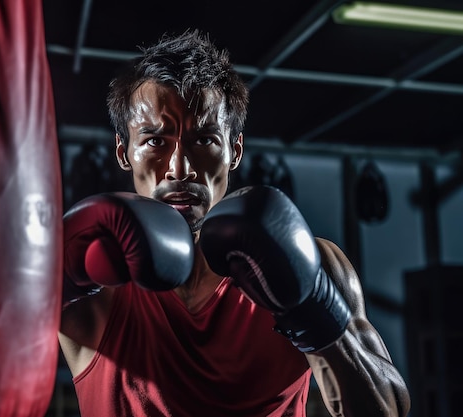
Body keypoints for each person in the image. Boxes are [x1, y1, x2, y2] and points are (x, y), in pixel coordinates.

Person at [59, 29, 411, 417]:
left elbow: (387, 411)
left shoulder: (314, 261)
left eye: (204, 140)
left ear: (234, 151)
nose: (181, 168)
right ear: (124, 152)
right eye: (156, 142)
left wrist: (311, 307)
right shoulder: (96, 276)